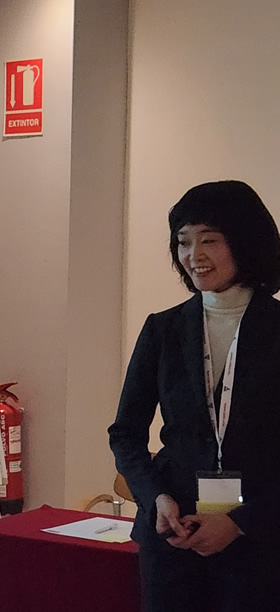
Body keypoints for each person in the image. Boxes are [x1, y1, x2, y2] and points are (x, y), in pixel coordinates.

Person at [109, 180, 280, 612]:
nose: (193, 255)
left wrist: (239, 522)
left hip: (262, 539)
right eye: (183, 242)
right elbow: (125, 433)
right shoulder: (162, 329)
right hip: (174, 534)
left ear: (246, 242)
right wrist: (157, 499)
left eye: (210, 240)